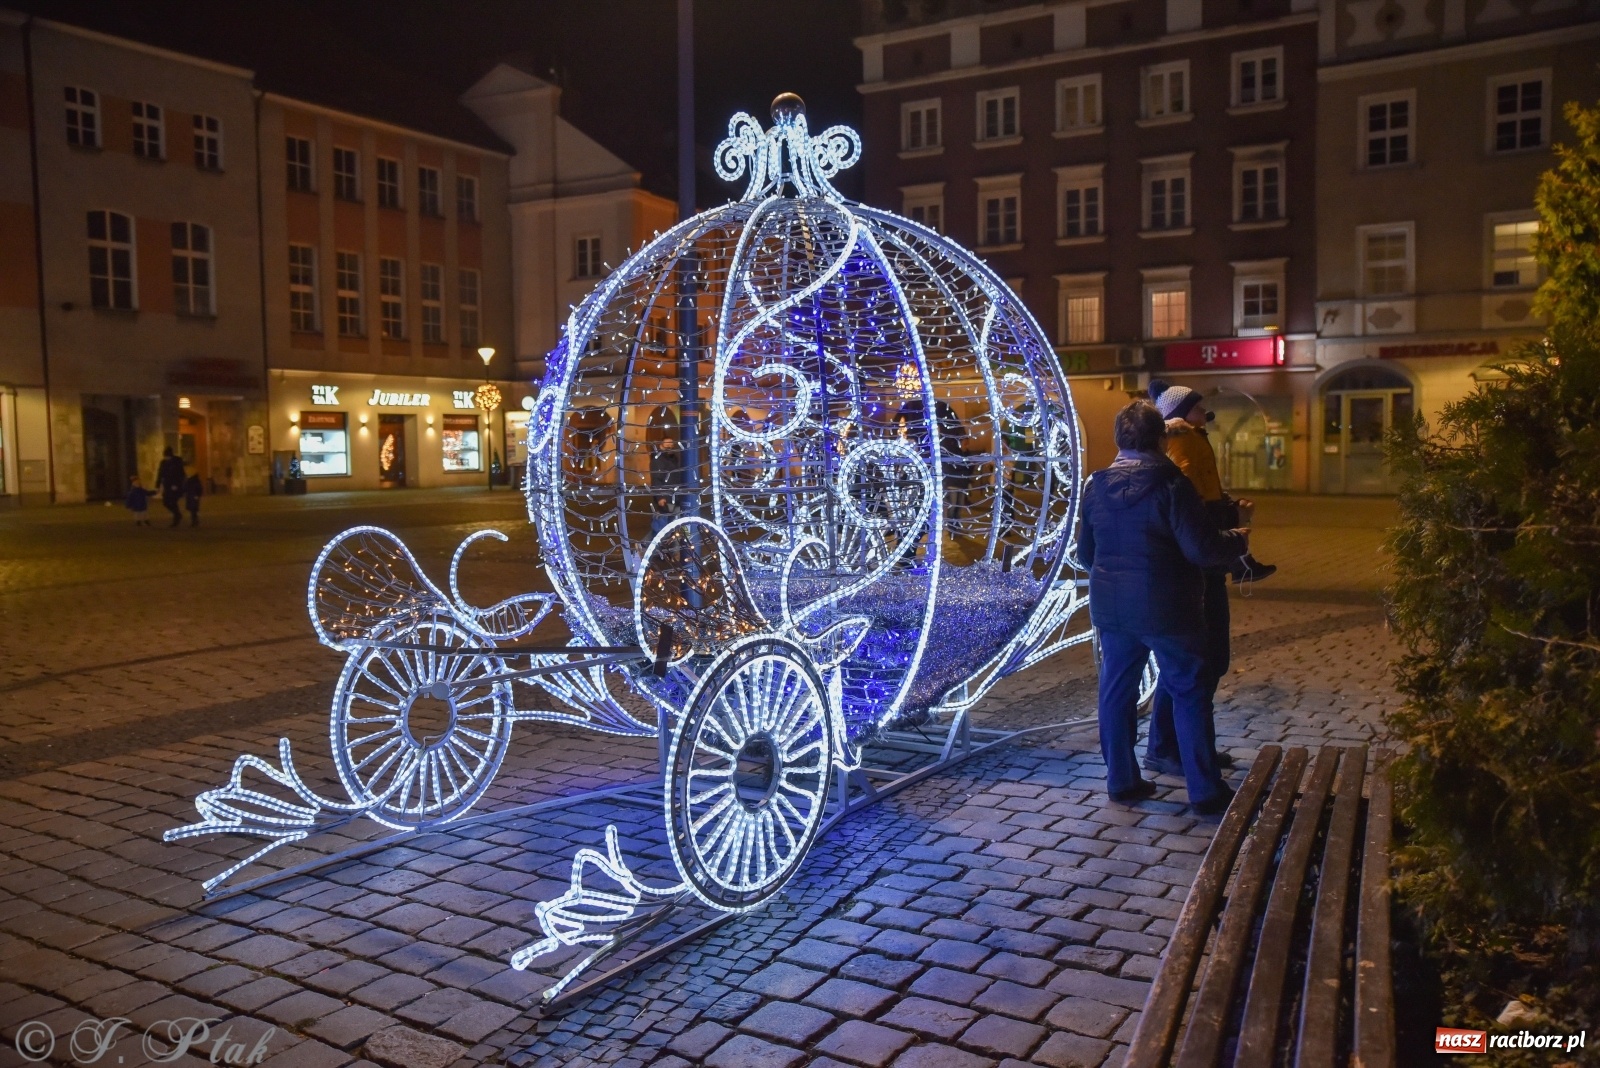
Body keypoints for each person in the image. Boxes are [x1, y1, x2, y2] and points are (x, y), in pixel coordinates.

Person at [1078, 400, 1249, 814]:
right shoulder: (1172, 484)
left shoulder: (1095, 485)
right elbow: (1201, 548)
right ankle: (1204, 789)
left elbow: (1086, 554)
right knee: (1190, 690)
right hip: (1169, 607)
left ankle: (1121, 779)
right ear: (1160, 438)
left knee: (1116, 692)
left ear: (1120, 439)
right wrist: (1239, 538)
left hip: (1113, 609)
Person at [1143, 380, 1273, 780]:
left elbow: (1202, 496)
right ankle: (1169, 748)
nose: (1205, 412)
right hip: (1197, 567)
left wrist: (1228, 511)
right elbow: (1190, 504)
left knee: (1205, 662)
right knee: (1195, 664)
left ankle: (1188, 746)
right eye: (1199, 406)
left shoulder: (1191, 437)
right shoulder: (1180, 440)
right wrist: (1228, 522)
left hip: (1206, 564)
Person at [155, 446, 186, 528]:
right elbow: (160, 474)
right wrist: (157, 485)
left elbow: (181, 474)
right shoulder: (163, 462)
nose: (166, 458)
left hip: (176, 485)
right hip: (167, 485)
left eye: (168, 456)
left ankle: (176, 518)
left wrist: (177, 484)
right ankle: (177, 514)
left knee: (173, 501)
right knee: (166, 502)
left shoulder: (177, 461)